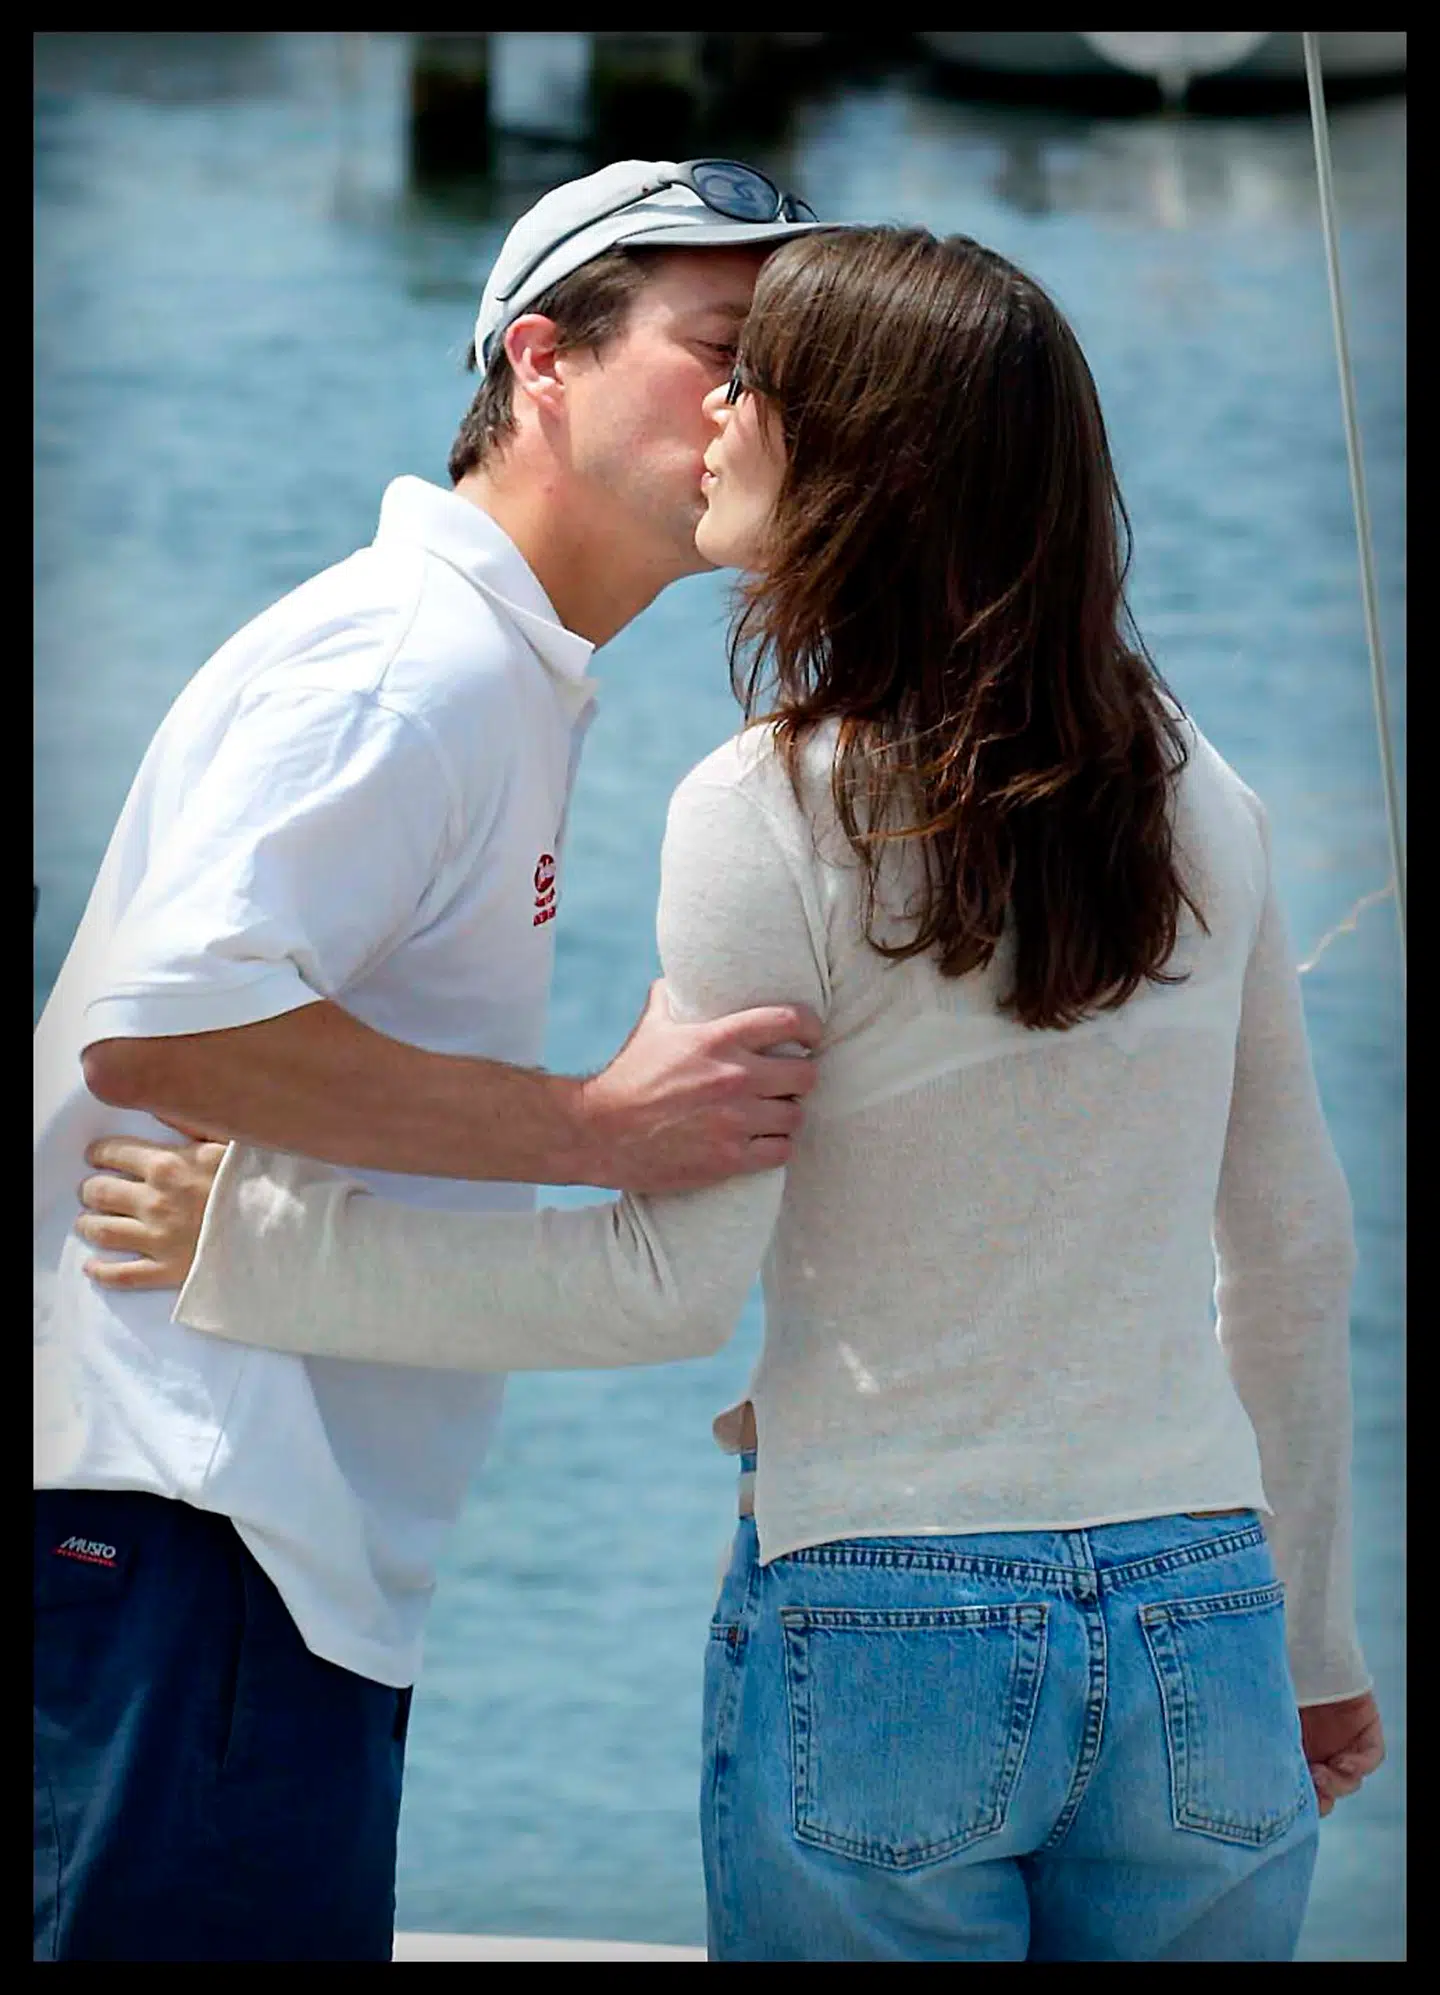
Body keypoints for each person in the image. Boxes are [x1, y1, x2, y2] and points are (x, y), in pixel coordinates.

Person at [74, 226, 1385, 1963]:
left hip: (891, 1612)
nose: (723, 423)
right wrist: (1312, 1640)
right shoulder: (1198, 787)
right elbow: (1291, 1253)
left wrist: (257, 1245)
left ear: (862, 459)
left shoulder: (769, 805)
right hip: (1203, 1615)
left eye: (762, 384)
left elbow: (659, 1285)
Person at [33, 157, 835, 1964]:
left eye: (783, 363)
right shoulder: (417, 662)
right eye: (720, 350)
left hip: (242, 1528)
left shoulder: (494, 663)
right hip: (189, 1511)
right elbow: (166, 1023)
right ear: (539, 360)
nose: (757, 407)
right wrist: (595, 1125)